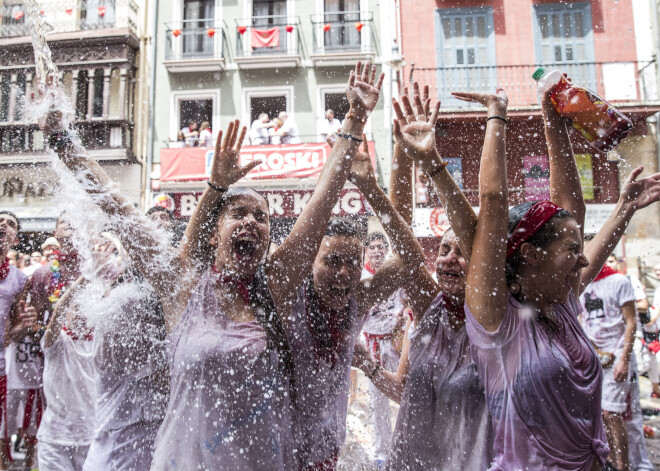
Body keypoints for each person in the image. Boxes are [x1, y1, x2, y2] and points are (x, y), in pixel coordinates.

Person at [36, 61, 383, 470]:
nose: (252, 221)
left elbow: (323, 200)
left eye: (262, 216)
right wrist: (61, 140)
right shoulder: (183, 284)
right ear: (216, 231)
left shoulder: (272, 288)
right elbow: (115, 206)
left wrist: (356, 117)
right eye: (239, 213)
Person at [462, 82, 660, 471]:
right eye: (572, 251)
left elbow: (571, 205)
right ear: (532, 255)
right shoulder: (497, 320)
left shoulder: (561, 303)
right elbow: (494, 203)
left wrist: (553, 118)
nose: (583, 262)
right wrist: (497, 116)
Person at [82, 233, 169, 471]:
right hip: (124, 442)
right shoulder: (126, 303)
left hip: (138, 438)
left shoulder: (148, 301)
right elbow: (162, 378)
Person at [8, 211, 82, 470]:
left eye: (74, 219)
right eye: (63, 221)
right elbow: (34, 324)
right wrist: (38, 329)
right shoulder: (42, 275)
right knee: (53, 423)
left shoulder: (95, 269)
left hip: (88, 364)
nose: (70, 223)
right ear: (55, 233)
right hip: (54, 363)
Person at [36, 239, 100, 471]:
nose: (80, 314)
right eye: (75, 308)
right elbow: (58, 312)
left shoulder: (99, 344)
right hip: (55, 440)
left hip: (91, 438)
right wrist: (85, 280)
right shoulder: (56, 342)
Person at [580, 247, 637, 471]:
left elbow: (631, 322)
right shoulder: (584, 284)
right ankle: (609, 461)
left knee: (611, 413)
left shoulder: (619, 281)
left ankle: (623, 466)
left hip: (615, 355)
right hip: (592, 357)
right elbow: (582, 318)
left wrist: (624, 357)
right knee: (597, 415)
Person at [359, 232, 407, 465]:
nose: (377, 251)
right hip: (372, 346)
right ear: (366, 251)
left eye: (381, 247)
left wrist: (402, 319)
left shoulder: (394, 274)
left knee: (404, 393)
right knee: (378, 401)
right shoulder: (361, 276)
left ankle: (404, 443)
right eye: (373, 247)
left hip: (396, 343)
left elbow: (407, 302)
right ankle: (382, 453)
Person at [0, 212, 28, 470]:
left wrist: (25, 326)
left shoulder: (19, 279)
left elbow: (15, 325)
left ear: (14, 238)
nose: (3, 224)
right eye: (1, 219)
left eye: (10, 224)